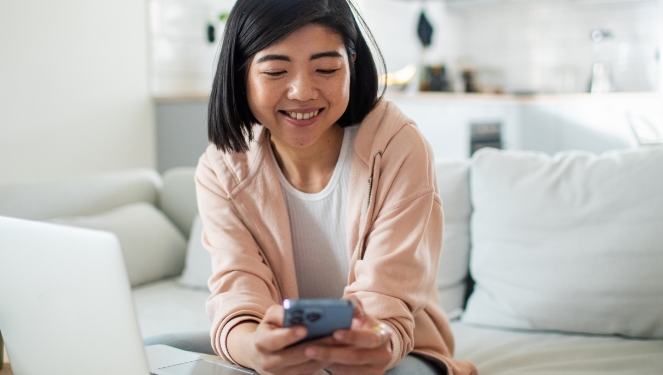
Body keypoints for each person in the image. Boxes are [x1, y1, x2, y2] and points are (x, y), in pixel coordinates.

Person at [151, 0, 477, 374]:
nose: (302, 92)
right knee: (148, 352)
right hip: (280, 341)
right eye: (275, 71)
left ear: (351, 63)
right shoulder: (223, 169)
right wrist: (255, 348)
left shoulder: (397, 147)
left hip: (392, 350)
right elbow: (238, 290)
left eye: (326, 68)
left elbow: (388, 300)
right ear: (241, 73)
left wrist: (369, 341)